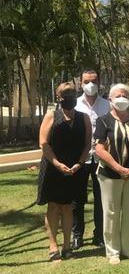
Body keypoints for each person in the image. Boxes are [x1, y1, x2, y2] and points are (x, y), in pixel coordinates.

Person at [94, 84, 129, 264]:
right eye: (118, 95)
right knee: (111, 212)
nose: (122, 98)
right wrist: (118, 168)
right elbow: (100, 149)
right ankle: (112, 251)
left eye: (125, 95)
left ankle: (128, 249)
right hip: (110, 174)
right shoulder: (103, 121)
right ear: (110, 99)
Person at [37, 82, 91, 261]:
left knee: (69, 207)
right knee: (53, 206)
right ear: (58, 97)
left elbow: (87, 145)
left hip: (75, 169)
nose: (70, 97)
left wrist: (80, 163)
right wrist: (57, 163)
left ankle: (67, 247)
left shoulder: (84, 118)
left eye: (72, 93)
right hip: (53, 168)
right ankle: (53, 247)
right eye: (65, 94)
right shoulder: (51, 115)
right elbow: (43, 143)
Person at [73, 69, 110, 249]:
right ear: (81, 83)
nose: (90, 85)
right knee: (77, 199)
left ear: (99, 82)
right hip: (80, 159)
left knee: (100, 199)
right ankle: (77, 235)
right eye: (87, 81)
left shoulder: (107, 105)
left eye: (94, 81)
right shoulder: (75, 105)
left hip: (101, 159)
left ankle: (99, 235)